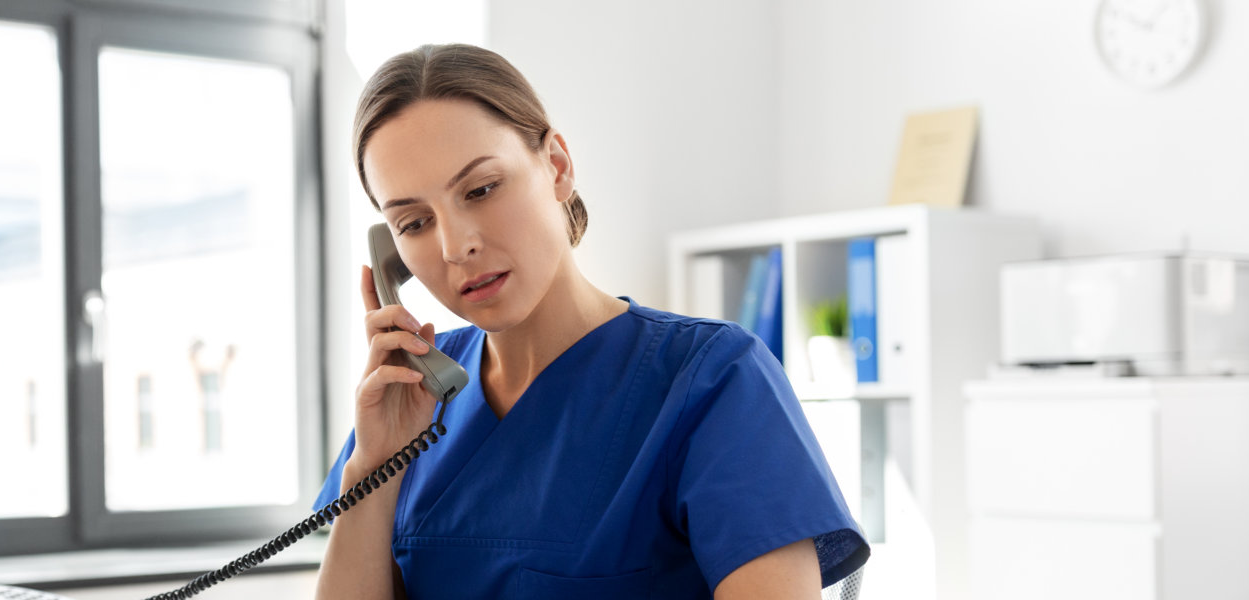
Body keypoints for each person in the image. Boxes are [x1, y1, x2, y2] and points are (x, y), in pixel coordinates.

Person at [311, 44, 869, 599]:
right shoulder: (410, 403)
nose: (458, 247)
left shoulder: (712, 382)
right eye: (413, 223)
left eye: (481, 190)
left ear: (556, 167)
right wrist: (373, 472)